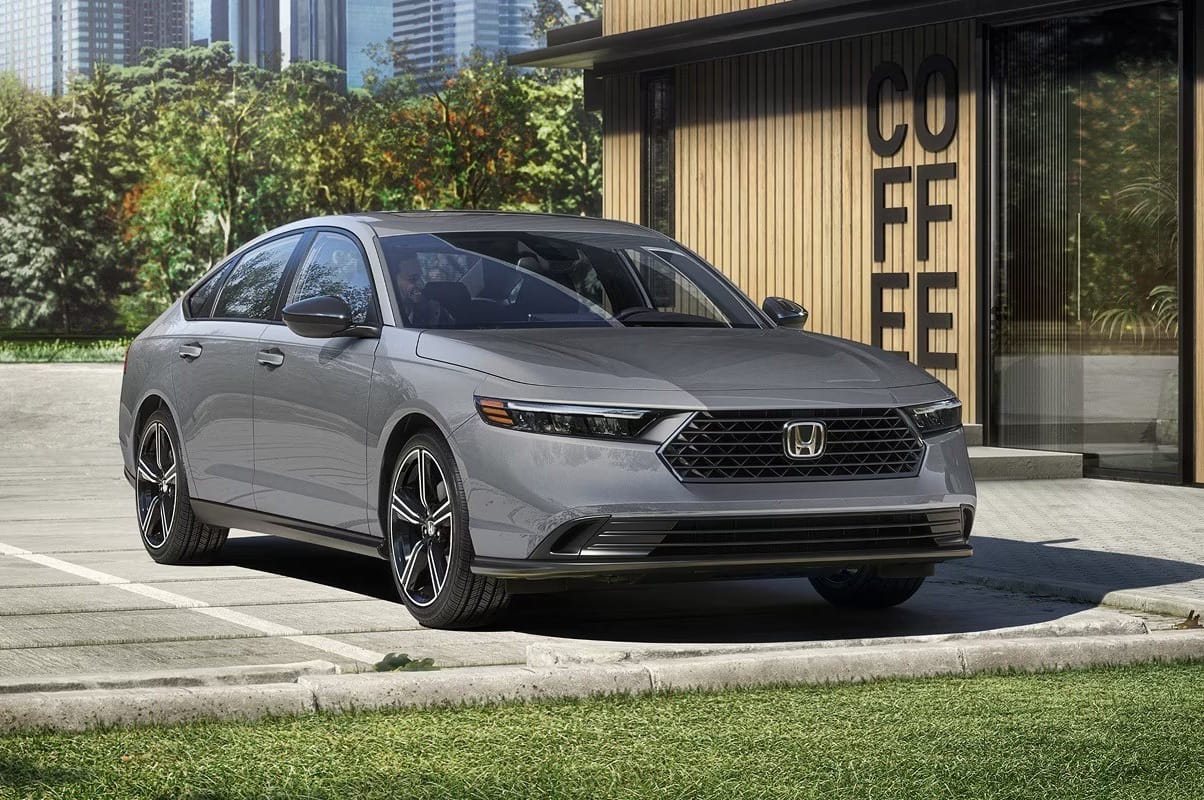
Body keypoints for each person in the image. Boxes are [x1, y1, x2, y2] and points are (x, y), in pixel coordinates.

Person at [392, 254, 450, 327]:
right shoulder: (381, 313)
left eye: (420, 277)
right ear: (392, 280)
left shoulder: (434, 309)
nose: (420, 285)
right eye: (412, 279)